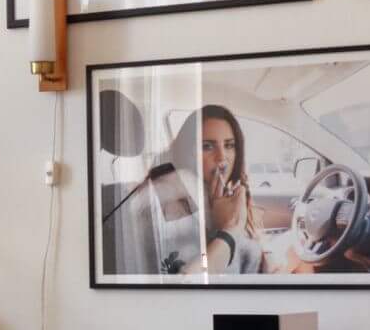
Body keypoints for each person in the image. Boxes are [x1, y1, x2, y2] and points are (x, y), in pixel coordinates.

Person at [100, 101, 262, 278]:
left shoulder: (226, 197)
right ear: (188, 150)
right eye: (207, 146)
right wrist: (227, 233)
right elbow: (192, 276)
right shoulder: (175, 195)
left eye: (229, 145)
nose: (222, 157)